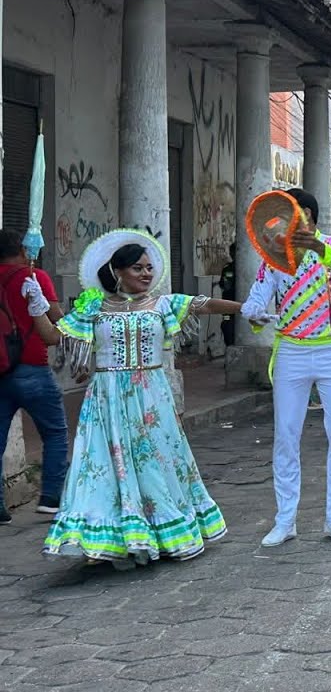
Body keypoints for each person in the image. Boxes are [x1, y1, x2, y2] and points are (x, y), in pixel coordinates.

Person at [36, 229, 242, 565]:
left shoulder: (163, 304)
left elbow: (205, 305)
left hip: (151, 398)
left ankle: (160, 531)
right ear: (117, 272)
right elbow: (51, 337)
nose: (146, 274)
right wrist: (36, 305)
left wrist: (249, 308)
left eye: (148, 268)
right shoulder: (94, 306)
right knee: (104, 464)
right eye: (137, 268)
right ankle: (114, 536)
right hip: (107, 399)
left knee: (155, 463)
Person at [242, 188, 331, 547]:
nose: (289, 221)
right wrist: (254, 314)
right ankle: (285, 520)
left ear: (309, 216)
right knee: (286, 434)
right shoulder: (277, 257)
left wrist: (318, 248)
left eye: (295, 214)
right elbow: (255, 299)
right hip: (292, 351)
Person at [0, 230, 68, 524]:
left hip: (1, 370)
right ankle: (50, 498)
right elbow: (57, 319)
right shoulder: (34, 277)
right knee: (54, 433)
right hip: (33, 368)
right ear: (22, 249)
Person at [217, 243, 236, 347]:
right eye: (231, 252)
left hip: (242, 304)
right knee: (226, 324)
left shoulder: (246, 268)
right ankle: (229, 348)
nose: (232, 254)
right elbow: (222, 284)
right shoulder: (227, 268)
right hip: (228, 304)